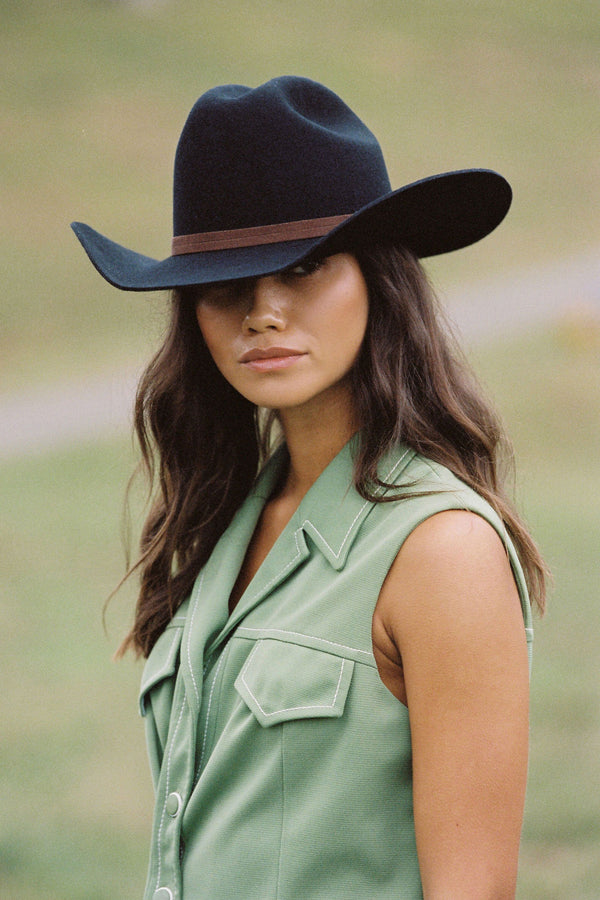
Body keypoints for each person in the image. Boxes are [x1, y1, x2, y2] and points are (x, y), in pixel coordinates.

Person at [72, 76, 546, 900]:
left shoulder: (442, 552)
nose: (263, 311)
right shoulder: (229, 529)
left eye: (305, 266)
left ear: (379, 280)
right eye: (225, 281)